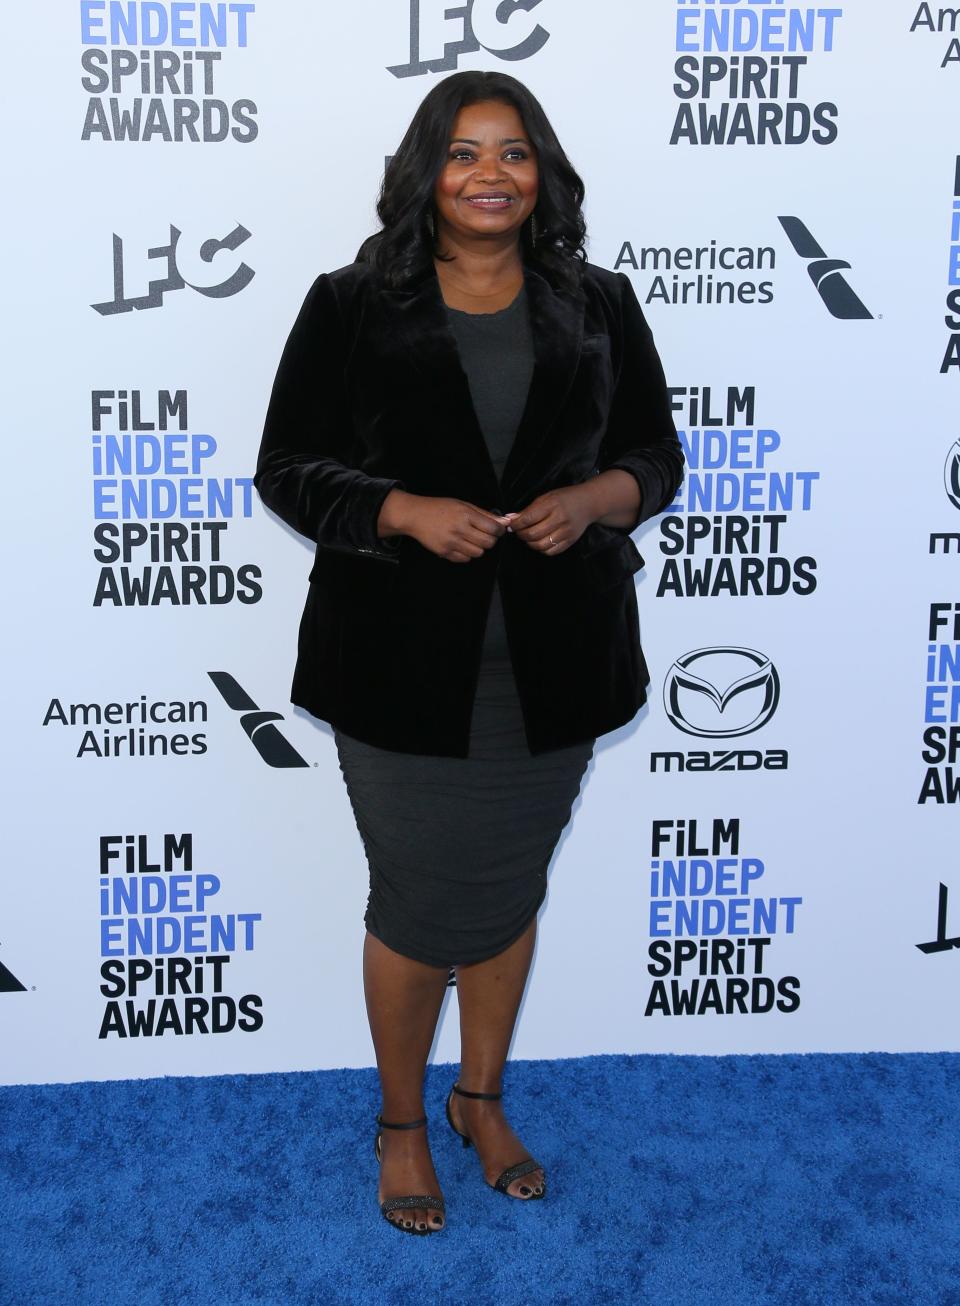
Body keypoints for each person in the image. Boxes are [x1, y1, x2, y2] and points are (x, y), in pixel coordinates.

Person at [255, 69, 684, 1236]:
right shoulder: (347, 303)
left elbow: (656, 454)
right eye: (463, 152)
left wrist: (599, 494)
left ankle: (479, 1098)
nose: (490, 174)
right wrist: (398, 509)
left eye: (513, 152)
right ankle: (403, 1121)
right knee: (418, 899)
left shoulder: (599, 301)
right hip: (397, 664)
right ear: (424, 175)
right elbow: (288, 465)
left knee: (507, 888)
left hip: (558, 662)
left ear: (541, 173)